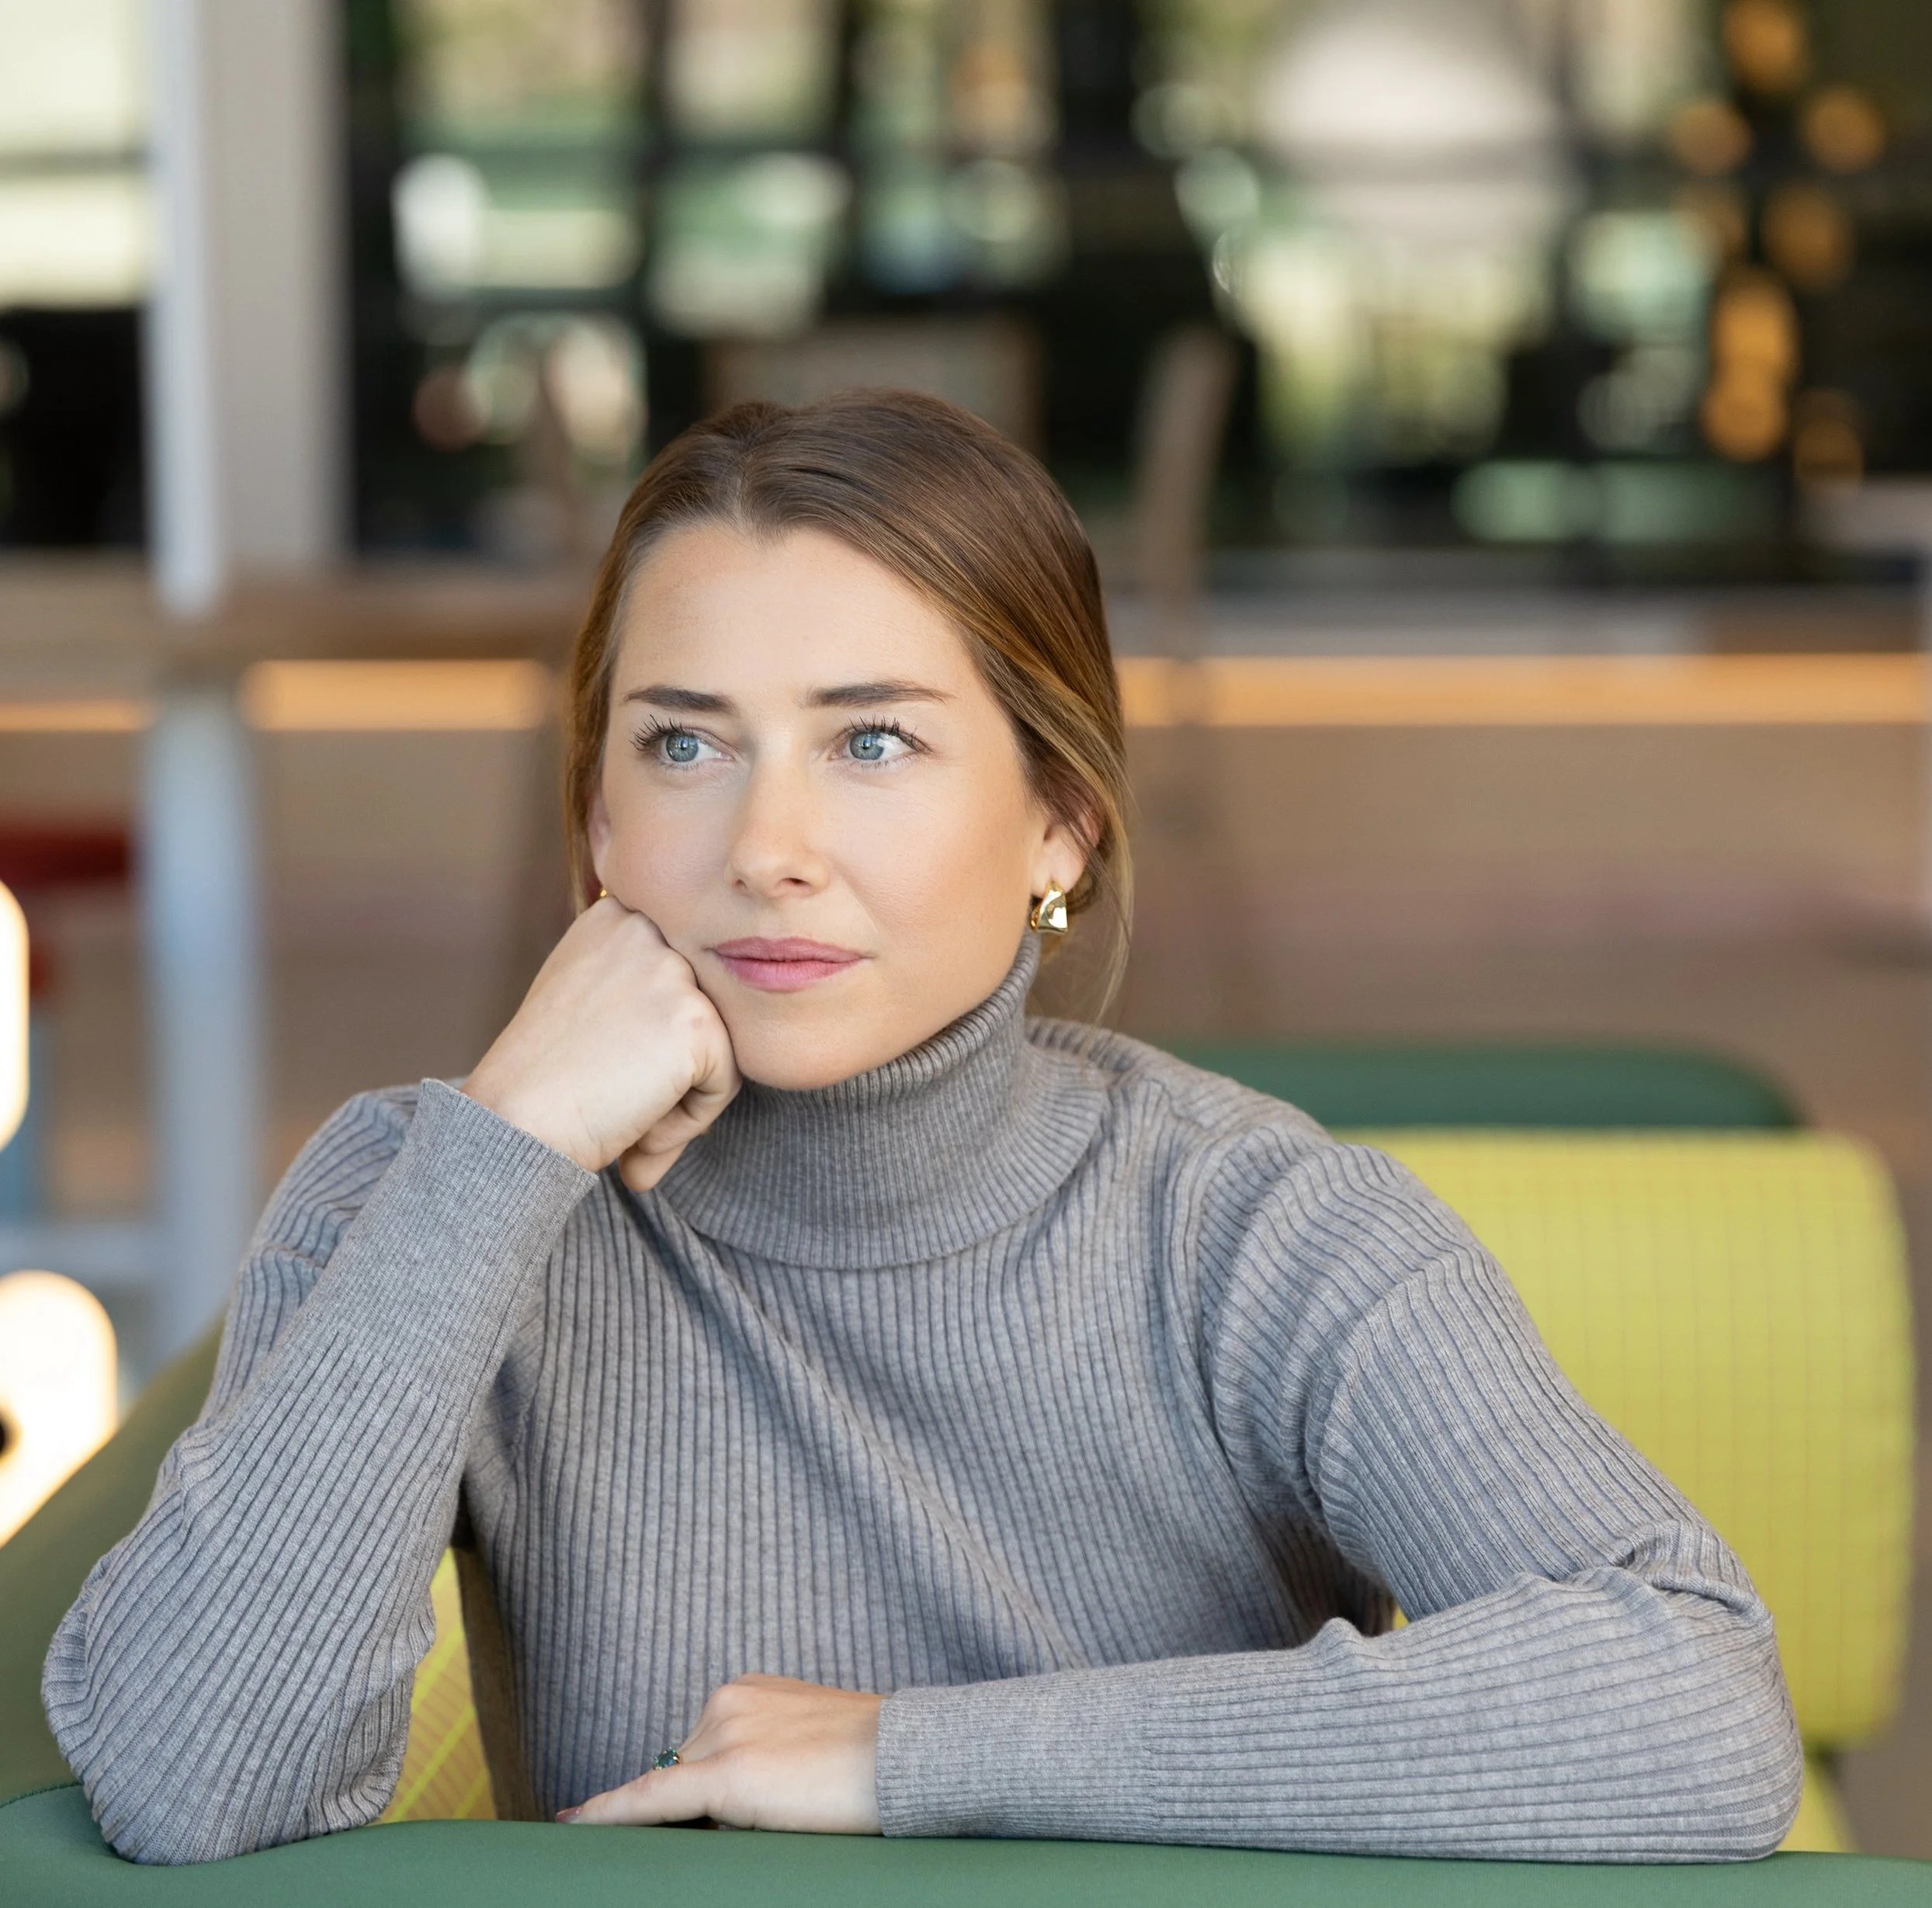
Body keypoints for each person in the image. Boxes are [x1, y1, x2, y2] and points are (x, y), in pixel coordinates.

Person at [44, 393, 1800, 1866]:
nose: (766, 844)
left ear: (1060, 822)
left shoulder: (1253, 1230)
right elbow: (190, 1781)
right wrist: (502, 1148)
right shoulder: (438, 1187)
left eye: (871, 740)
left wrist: (908, 1758)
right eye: (679, 745)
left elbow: (1692, 1704)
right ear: (593, 822)